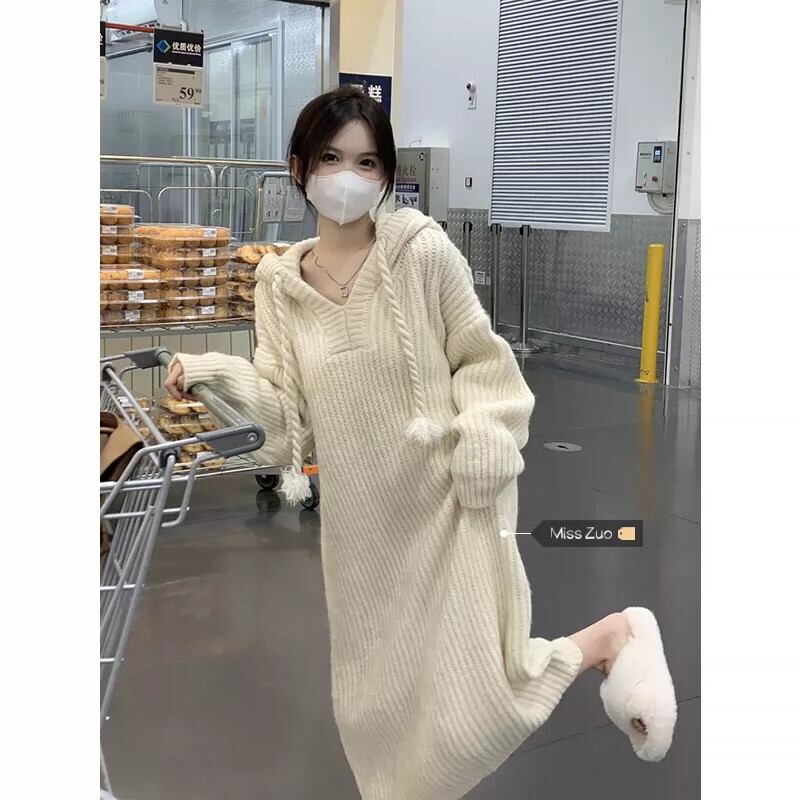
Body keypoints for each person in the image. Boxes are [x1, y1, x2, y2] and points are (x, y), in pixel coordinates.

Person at [164, 86, 677, 800]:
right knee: (376, 711)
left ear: (386, 173)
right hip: (361, 530)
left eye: (367, 161)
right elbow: (284, 419)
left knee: (474, 712)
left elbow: (483, 360)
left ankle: (611, 637)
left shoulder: (421, 253)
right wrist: (213, 374)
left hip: (448, 500)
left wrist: (485, 438)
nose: (348, 176)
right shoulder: (279, 286)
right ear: (298, 167)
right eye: (331, 158)